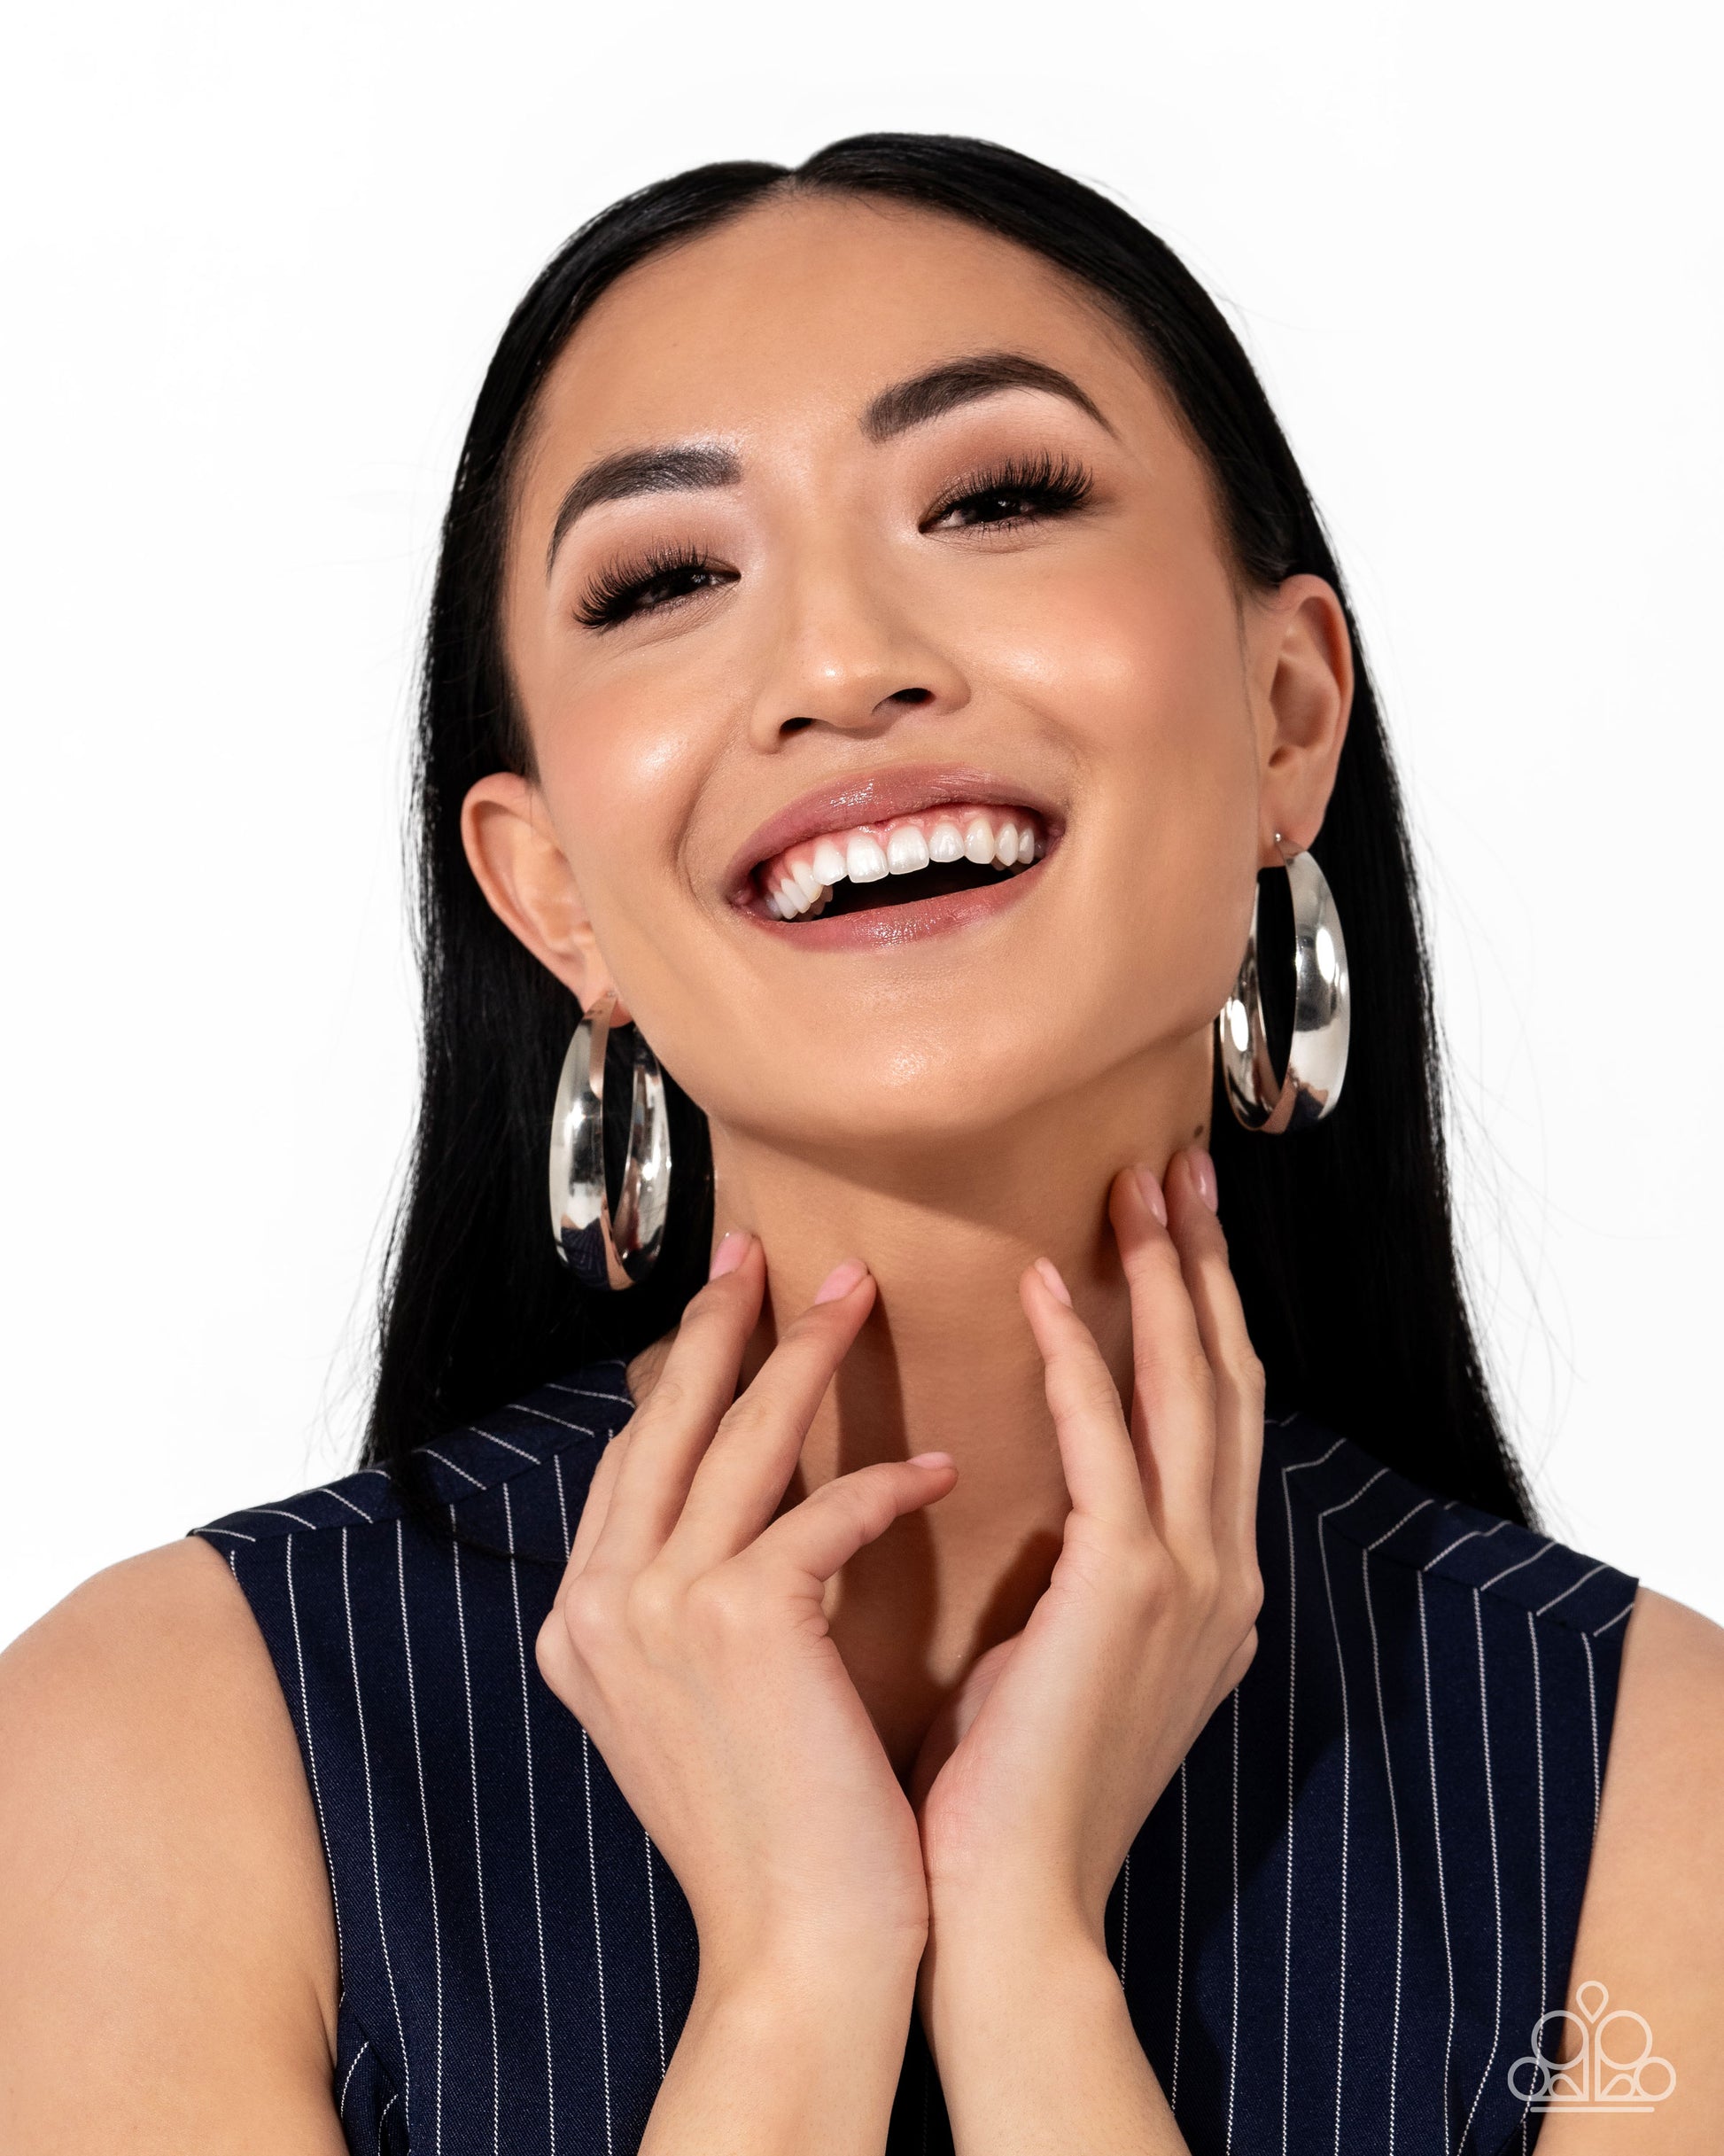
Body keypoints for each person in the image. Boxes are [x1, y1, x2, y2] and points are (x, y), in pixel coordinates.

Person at [1, 134, 1719, 2156]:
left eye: (994, 499)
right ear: (549, 892)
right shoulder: (168, 1744)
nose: (838, 668)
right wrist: (800, 1972)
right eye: (666, 580)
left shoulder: (1650, 1789)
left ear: (1284, 713)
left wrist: (1030, 1963)